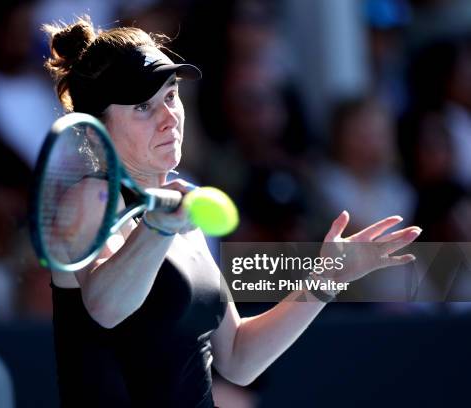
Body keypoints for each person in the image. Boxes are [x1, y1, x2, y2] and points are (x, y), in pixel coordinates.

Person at [43, 16, 422, 407]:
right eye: (143, 106)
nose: (169, 117)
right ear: (95, 130)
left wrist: (326, 279)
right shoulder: (92, 198)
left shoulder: (184, 215)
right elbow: (105, 308)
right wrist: (158, 229)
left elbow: (238, 358)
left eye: (170, 95)